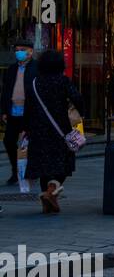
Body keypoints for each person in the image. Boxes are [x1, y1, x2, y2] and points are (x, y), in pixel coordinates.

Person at [24, 49, 86, 213]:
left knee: (44, 167)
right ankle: (52, 191)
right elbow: (77, 98)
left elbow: (28, 107)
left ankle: (47, 202)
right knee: (64, 165)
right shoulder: (63, 81)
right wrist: (81, 112)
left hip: (38, 131)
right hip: (60, 129)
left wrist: (26, 128)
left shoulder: (35, 82)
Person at [2, 38, 35, 185]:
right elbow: (5, 91)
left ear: (30, 52)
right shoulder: (11, 69)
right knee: (8, 141)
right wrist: (4, 111)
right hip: (13, 112)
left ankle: (30, 171)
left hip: (29, 113)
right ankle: (15, 171)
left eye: (22, 50)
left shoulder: (36, 68)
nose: (19, 53)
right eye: (16, 51)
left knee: (27, 143)